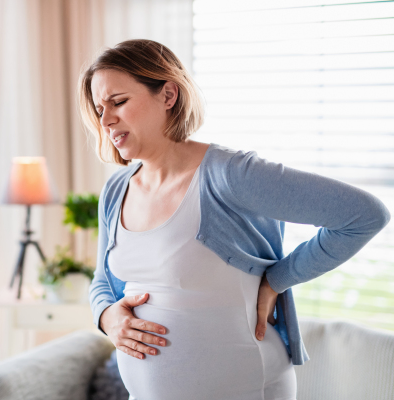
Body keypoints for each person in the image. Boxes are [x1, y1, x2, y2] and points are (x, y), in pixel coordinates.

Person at [77, 39, 391, 400]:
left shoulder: (229, 175)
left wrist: (278, 279)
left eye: (118, 102)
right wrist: (107, 317)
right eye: (100, 109)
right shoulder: (117, 189)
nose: (106, 120)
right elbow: (102, 279)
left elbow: (364, 216)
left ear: (168, 95)